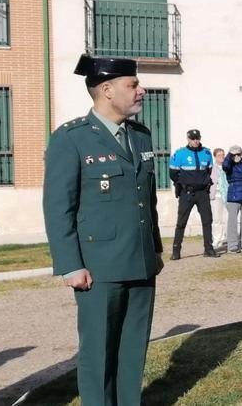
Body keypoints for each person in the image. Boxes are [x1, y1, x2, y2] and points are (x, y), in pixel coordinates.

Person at [43, 55, 163, 406]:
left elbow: (147, 200)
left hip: (140, 260)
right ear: (106, 90)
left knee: (133, 348)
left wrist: (154, 249)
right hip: (98, 266)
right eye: (133, 85)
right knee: (98, 351)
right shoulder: (72, 138)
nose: (141, 90)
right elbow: (58, 207)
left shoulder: (140, 136)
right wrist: (70, 264)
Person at [168, 129, 218, 260]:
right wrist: (183, 184)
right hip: (187, 193)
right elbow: (173, 173)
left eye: (197, 138)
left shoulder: (206, 153)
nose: (196, 141)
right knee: (181, 222)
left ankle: (209, 249)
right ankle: (176, 250)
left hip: (202, 192)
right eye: (193, 139)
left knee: (207, 221)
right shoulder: (180, 154)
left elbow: (209, 171)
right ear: (188, 139)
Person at [210, 147, 228, 252]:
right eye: (219, 155)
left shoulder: (227, 167)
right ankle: (217, 239)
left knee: (226, 218)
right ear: (215, 156)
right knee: (217, 219)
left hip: (226, 195)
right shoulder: (211, 168)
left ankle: (224, 237)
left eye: (223, 155)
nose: (221, 157)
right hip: (216, 196)